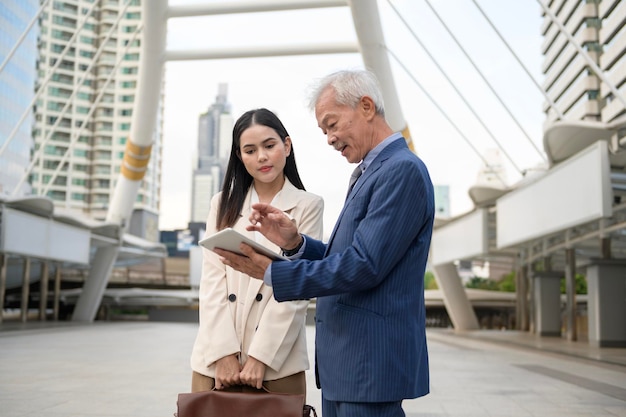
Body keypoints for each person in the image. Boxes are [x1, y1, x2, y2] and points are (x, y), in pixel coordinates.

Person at [215, 69, 435, 417]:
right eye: (324, 131)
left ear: (366, 107)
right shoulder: (374, 171)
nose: (330, 139)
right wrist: (296, 241)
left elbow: (364, 266)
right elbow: (351, 256)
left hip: (368, 365)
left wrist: (273, 272)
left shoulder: (400, 171)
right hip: (350, 366)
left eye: (332, 125)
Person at [189, 108, 324, 398]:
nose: (261, 156)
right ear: (240, 157)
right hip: (215, 358)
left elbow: (298, 288)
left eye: (269, 145)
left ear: (287, 146)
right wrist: (224, 353)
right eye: (250, 150)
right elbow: (212, 281)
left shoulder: (308, 205)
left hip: (277, 362)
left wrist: (261, 357)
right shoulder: (222, 203)